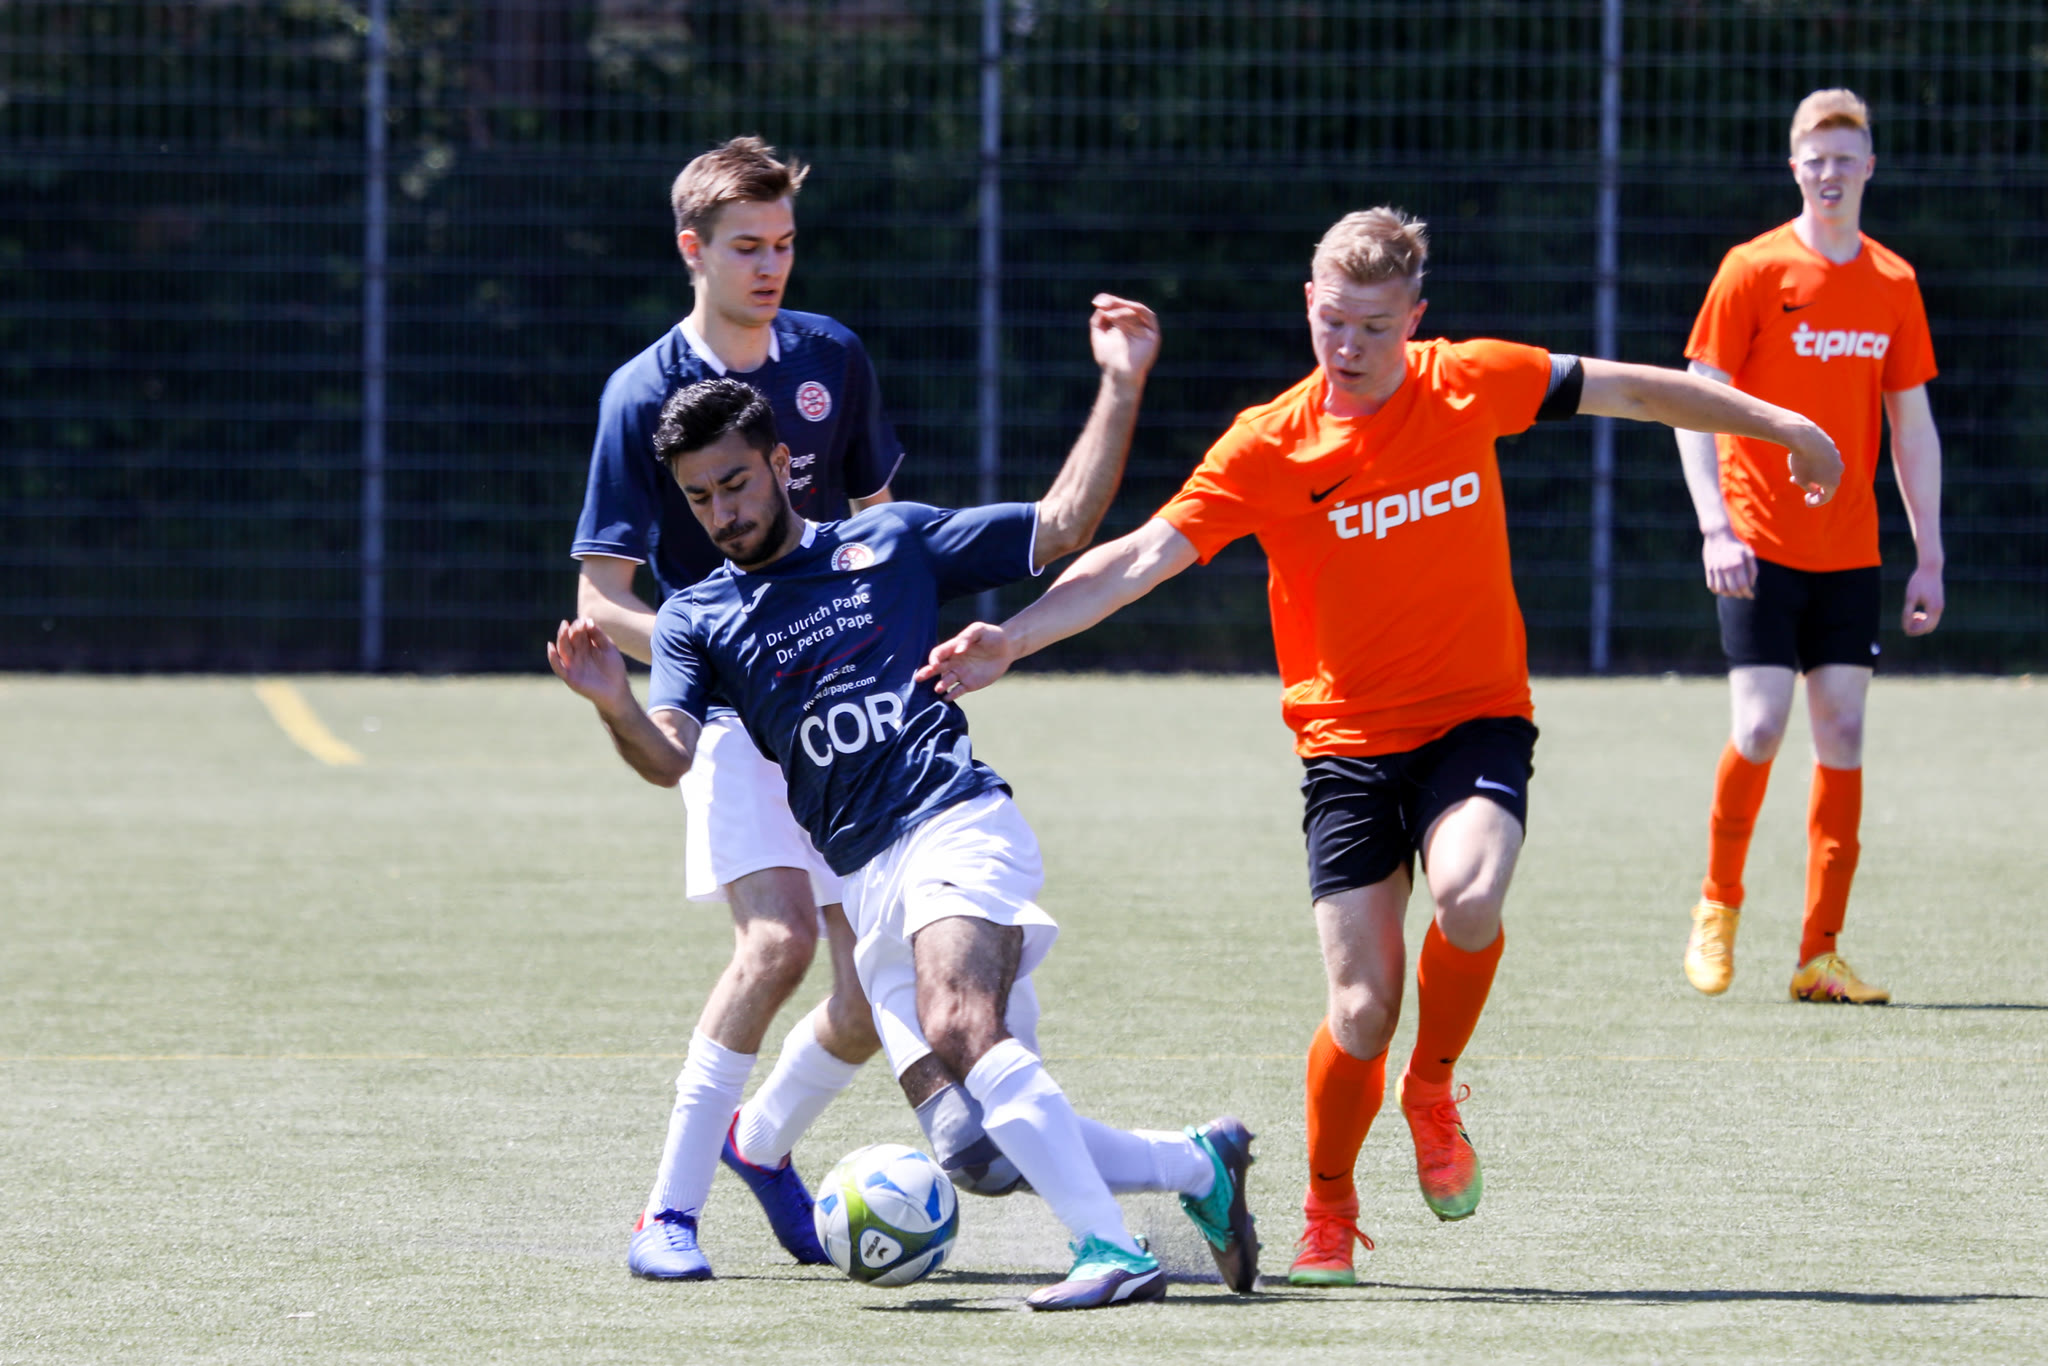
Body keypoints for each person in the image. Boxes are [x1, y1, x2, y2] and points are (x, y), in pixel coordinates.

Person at [913, 207, 1844, 1288]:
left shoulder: (1470, 380)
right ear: (1307, 305)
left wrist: (1781, 423)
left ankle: (1431, 1087)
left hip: (1473, 717)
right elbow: (1138, 558)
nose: (1347, 346)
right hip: (1346, 748)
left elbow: (1635, 390)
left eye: (1373, 326)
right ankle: (1327, 1204)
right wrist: (1014, 637)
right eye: (1331, 322)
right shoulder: (1269, 443)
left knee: (1470, 893)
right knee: (1359, 1009)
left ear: (1415, 317)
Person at [552, 322, 1264, 1311]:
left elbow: (1062, 525)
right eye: (699, 497)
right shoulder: (695, 618)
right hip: (866, 877)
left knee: (960, 1021)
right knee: (976, 1144)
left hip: (951, 821)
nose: (721, 512)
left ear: (782, 464)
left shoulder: (890, 541)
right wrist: (613, 704)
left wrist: (1118, 380)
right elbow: (669, 757)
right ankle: (1197, 1164)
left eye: (736, 483)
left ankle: (1110, 1249)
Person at [570, 136, 910, 1279]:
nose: (770, 267)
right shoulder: (641, 394)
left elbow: (879, 529)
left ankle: (755, 1144)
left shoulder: (831, 356)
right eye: (746, 248)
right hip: (728, 719)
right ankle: (665, 1216)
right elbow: (601, 595)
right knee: (774, 944)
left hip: (845, 713)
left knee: (868, 995)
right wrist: (713, 647)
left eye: (784, 245)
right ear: (693, 250)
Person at [1674, 89, 1943, 1007]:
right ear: (1795, 168)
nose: (1830, 174)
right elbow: (1693, 401)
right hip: (1758, 542)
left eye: (1845, 158)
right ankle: (1719, 902)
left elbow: (1912, 427)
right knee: (1759, 726)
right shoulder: (1752, 270)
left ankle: (1818, 955)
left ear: (1870, 167)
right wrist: (1715, 524)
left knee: (1844, 732)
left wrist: (1930, 553)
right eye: (1815, 159)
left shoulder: (1894, 283)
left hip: (1850, 551)